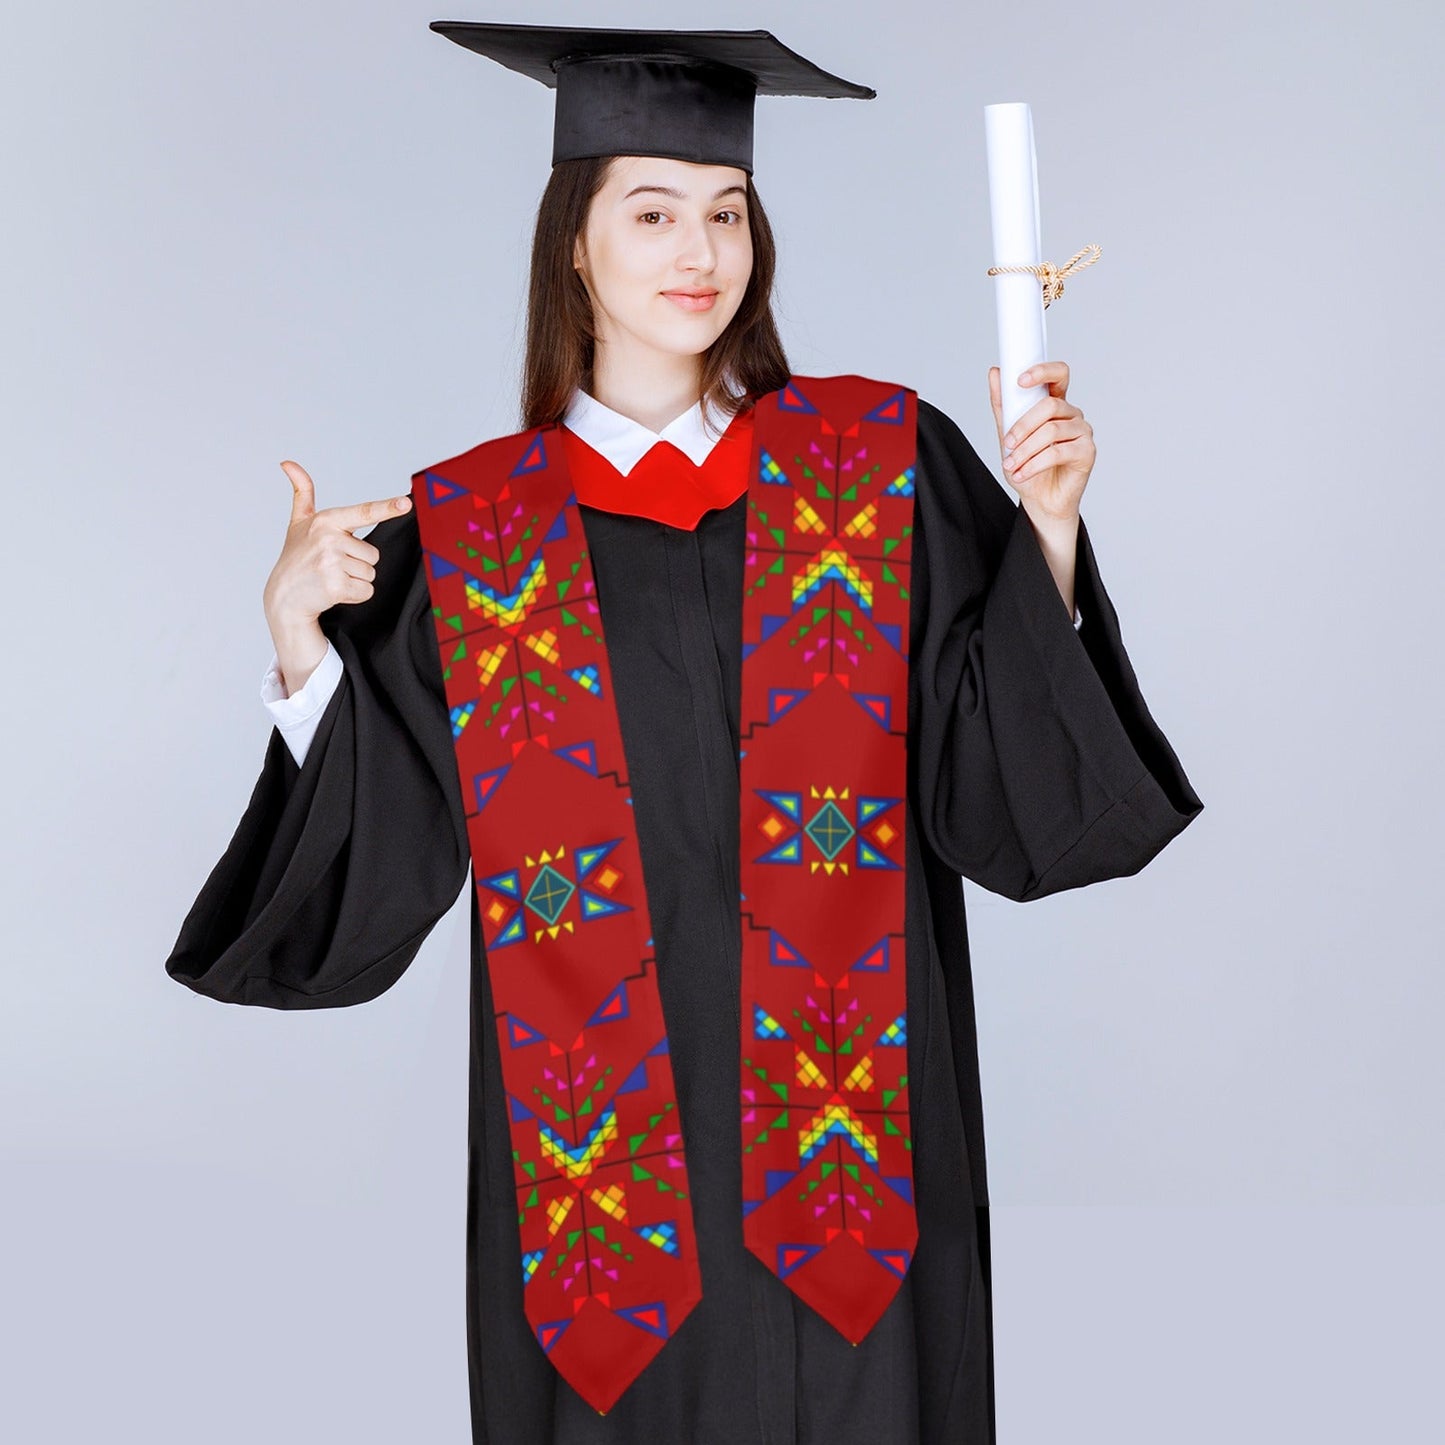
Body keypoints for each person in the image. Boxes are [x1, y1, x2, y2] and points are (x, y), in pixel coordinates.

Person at [165, 21, 1203, 1444]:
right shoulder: (476, 534)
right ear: (572, 247)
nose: (696, 249)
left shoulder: (877, 464)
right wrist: (300, 645)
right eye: (648, 213)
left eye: (725, 212)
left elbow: (1002, 792)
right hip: (602, 1229)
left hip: (859, 1195)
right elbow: (379, 857)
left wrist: (1049, 534)